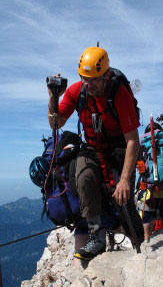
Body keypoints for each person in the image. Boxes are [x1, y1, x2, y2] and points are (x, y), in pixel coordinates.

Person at [48, 46, 141, 261]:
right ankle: (96, 233)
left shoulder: (120, 95)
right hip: (92, 148)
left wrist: (125, 179)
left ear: (106, 75)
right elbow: (56, 122)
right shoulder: (77, 92)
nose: (89, 84)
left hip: (119, 149)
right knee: (84, 174)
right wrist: (54, 96)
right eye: (84, 78)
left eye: (94, 79)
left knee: (123, 200)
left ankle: (139, 243)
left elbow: (133, 141)